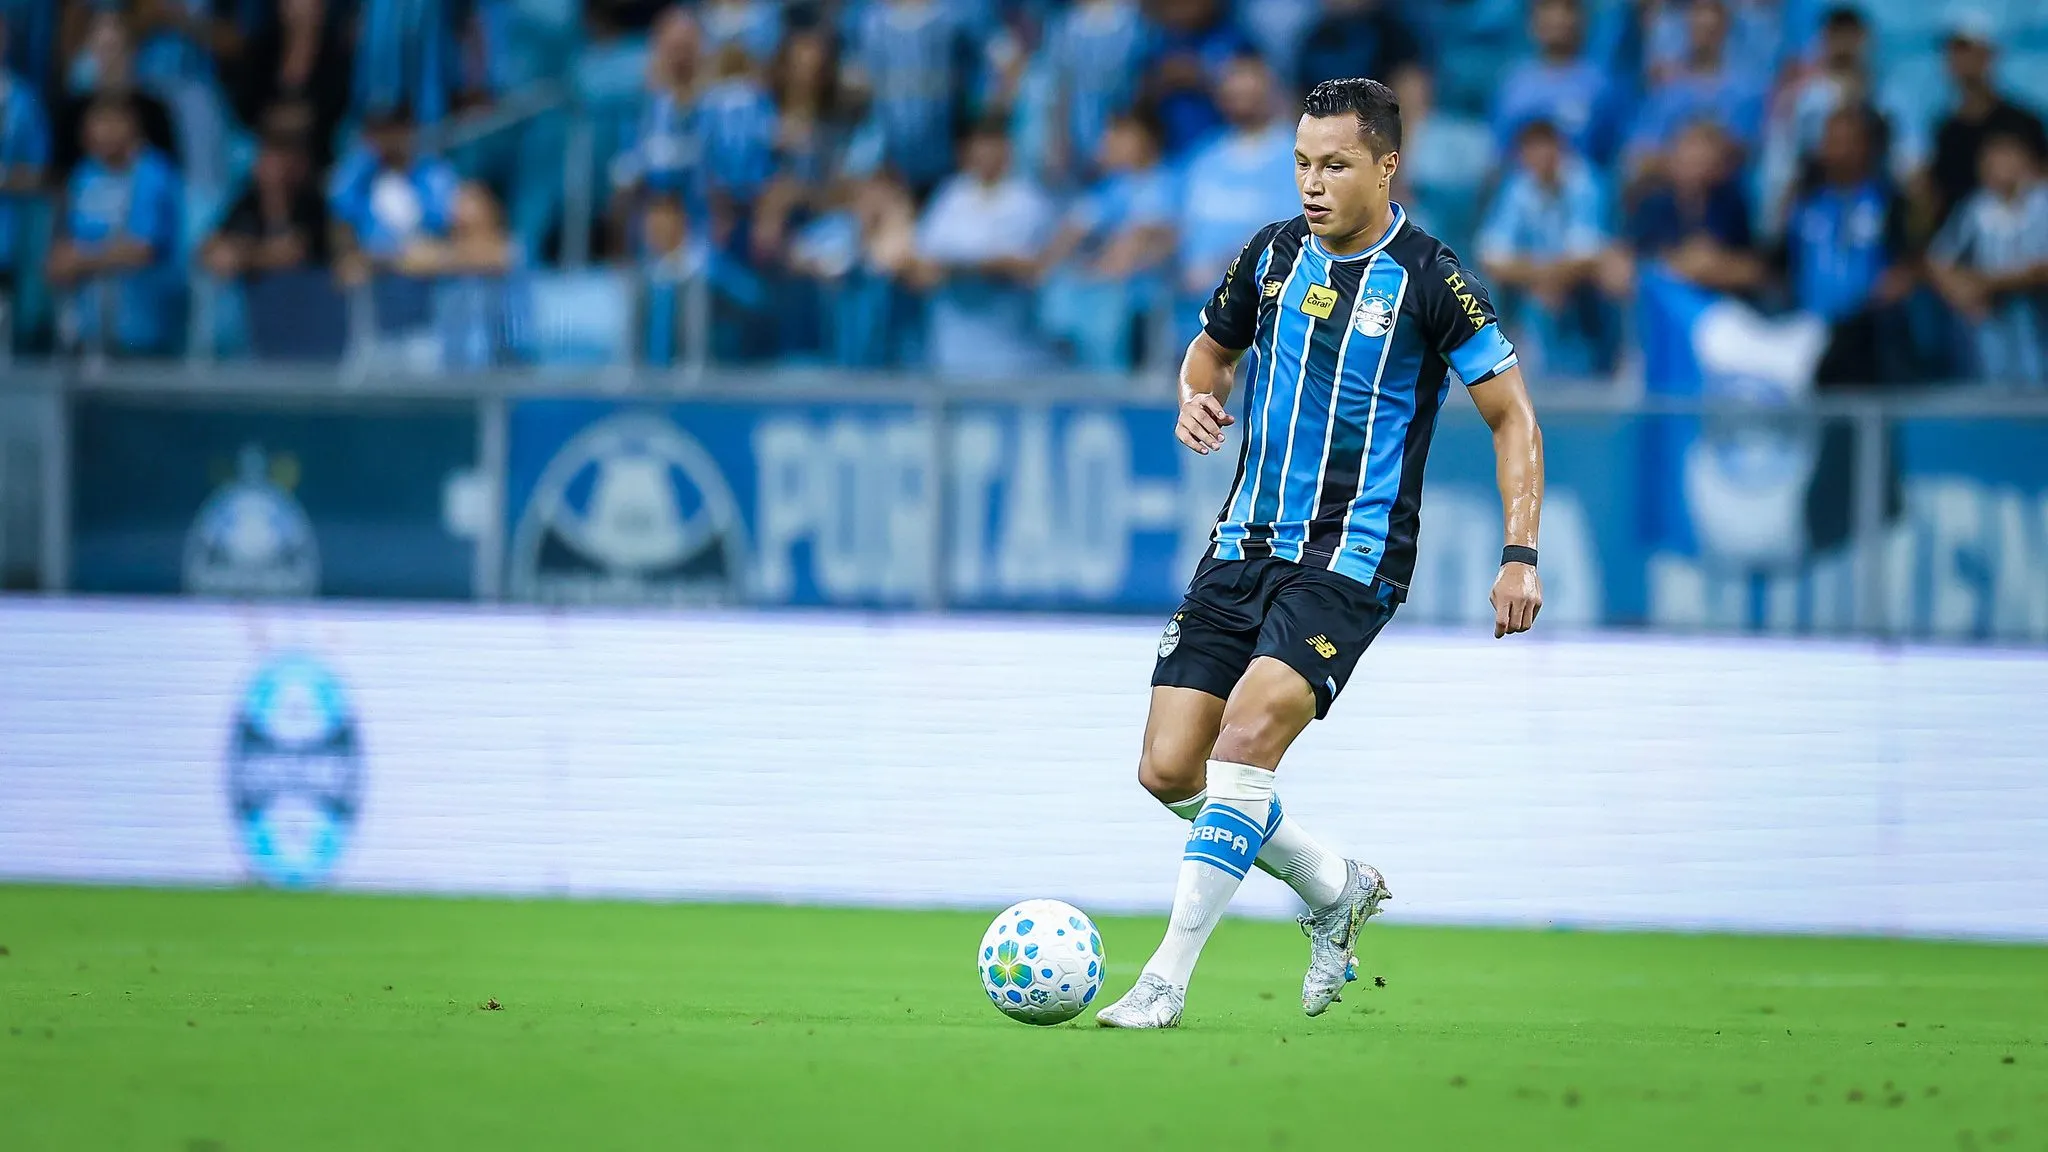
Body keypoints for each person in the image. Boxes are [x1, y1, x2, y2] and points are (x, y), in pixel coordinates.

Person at [1095, 78, 1545, 1029]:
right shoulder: (1269, 257)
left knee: (1244, 743)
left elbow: (1511, 416)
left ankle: (1166, 981)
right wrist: (1193, 394)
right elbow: (1207, 354)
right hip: (1241, 543)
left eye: (1334, 165)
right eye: (1301, 162)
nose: (1312, 182)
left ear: (1387, 167)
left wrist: (1520, 552)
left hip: (1353, 555)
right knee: (1169, 771)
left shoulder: (1432, 279)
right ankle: (1335, 885)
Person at [1479, 118, 1622, 378]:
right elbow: (1492, 254)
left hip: (1582, 279)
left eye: (1545, 149)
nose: (1539, 159)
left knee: (1613, 276)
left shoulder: (1585, 183)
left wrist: (1549, 278)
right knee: (1486, 284)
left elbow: (1587, 253)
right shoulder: (1517, 188)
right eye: (1531, 151)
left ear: (1560, 149)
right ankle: (1497, 366)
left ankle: (1607, 365)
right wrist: (1542, 278)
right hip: (1535, 280)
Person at [47, 96, 184, 354]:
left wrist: (80, 260)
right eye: (93, 125)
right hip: (89, 328)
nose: (99, 132)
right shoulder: (84, 174)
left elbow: (141, 249)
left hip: (143, 330)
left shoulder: (153, 174)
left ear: (131, 125)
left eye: (109, 123)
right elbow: (65, 246)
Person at [1927, 132, 2048, 386]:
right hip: (1991, 310)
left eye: (2007, 159)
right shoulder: (1976, 207)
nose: (1999, 168)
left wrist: (1988, 281)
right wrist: (1960, 293)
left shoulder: (2041, 203)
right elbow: (1938, 260)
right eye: (1991, 161)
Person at [1924, 11, 2048, 231]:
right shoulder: (1945, 131)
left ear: (1989, 54)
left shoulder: (2025, 123)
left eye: (1967, 49)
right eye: (1953, 50)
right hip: (1960, 253)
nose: (1959, 59)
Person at [1494, 0, 1624, 167]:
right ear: (1531, 19)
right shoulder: (1513, 84)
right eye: (1547, 7)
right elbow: (1500, 155)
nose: (1557, 18)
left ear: (1583, 18)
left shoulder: (1601, 86)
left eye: (1568, 8)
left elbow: (1614, 156)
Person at [201, 117, 330, 281]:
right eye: (267, 160)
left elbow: (294, 251)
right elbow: (209, 247)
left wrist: (243, 255)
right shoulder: (247, 202)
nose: (273, 171)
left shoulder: (313, 204)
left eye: (280, 163)